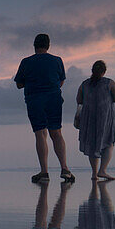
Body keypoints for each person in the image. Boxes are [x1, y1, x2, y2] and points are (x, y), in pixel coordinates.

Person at [14, 33, 74, 183]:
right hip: (53, 98)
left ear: (34, 46)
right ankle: (65, 169)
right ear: (48, 46)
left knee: (40, 134)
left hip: (35, 100)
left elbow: (19, 84)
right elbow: (61, 81)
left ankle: (44, 172)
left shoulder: (26, 62)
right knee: (57, 133)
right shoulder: (57, 60)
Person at [75, 60, 115, 181]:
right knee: (109, 142)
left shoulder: (85, 84)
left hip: (89, 118)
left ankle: (94, 173)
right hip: (105, 117)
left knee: (92, 144)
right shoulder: (109, 83)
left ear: (92, 71)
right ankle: (102, 170)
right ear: (104, 71)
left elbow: (79, 99)